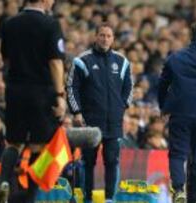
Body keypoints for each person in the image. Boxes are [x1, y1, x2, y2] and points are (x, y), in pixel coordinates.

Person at [0, 0, 66, 202]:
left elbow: (6, 59)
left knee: (14, 142)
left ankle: (3, 183)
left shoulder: (10, 23)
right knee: (38, 144)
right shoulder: (50, 24)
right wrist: (60, 95)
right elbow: (55, 62)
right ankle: (30, 195)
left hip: (15, 89)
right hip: (40, 92)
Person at [67, 23, 133, 203]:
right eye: (102, 35)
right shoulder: (82, 60)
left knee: (112, 161)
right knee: (88, 162)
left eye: (109, 36)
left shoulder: (122, 62)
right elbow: (72, 87)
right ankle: (87, 198)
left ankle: (110, 199)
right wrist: (77, 112)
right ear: (96, 37)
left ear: (113, 39)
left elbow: (129, 87)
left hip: (113, 121)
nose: (105, 39)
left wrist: (122, 108)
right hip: (90, 121)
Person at [158, 20, 196, 203]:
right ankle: (192, 200)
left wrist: (164, 107)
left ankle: (179, 189)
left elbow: (162, 84)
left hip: (179, 113)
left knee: (177, 153)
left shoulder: (175, 57)